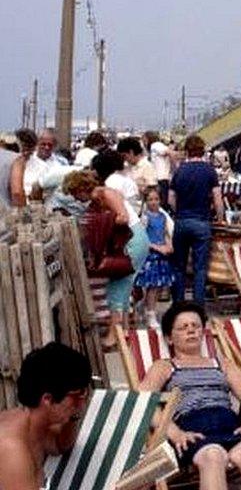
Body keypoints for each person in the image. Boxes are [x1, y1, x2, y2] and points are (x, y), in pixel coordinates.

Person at [140, 302, 241, 488]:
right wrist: (175, 433)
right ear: (169, 338)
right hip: (191, 429)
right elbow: (144, 401)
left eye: (195, 326)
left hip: (229, 425)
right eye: (183, 327)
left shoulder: (222, 363)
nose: (191, 331)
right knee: (213, 455)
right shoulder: (164, 366)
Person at [63, 166, 150, 341]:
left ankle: (114, 335)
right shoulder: (99, 198)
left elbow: (123, 217)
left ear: (81, 188)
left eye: (74, 193)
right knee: (123, 284)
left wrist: (100, 221)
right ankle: (124, 330)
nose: (75, 198)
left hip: (131, 239)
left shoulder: (105, 194)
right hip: (129, 240)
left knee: (117, 285)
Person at [0, 343, 92, 490]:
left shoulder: (34, 423)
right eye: (76, 397)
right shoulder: (12, 450)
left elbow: (59, 445)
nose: (82, 404)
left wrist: (73, 414)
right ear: (48, 399)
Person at [170, 133, 224, 303]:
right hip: (202, 221)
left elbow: (171, 198)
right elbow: (217, 198)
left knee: (179, 266)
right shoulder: (209, 170)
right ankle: (199, 306)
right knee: (199, 268)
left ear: (187, 151)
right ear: (202, 151)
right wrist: (220, 217)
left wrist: (180, 211)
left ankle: (178, 304)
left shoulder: (179, 171)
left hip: (181, 222)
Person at [135, 186, 174, 329]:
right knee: (153, 286)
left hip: (163, 254)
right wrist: (158, 247)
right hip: (152, 254)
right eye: (150, 199)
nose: (153, 202)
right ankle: (151, 314)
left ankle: (145, 307)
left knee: (159, 286)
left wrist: (169, 245)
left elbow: (164, 233)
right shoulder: (145, 217)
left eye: (156, 199)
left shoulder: (163, 216)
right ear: (146, 201)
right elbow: (142, 237)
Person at [145, 131, 173, 205]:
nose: (144, 142)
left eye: (144, 140)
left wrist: (176, 165)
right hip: (161, 179)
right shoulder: (154, 147)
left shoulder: (155, 145)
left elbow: (168, 152)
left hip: (160, 179)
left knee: (160, 204)